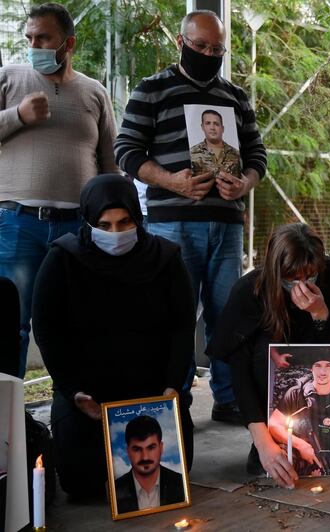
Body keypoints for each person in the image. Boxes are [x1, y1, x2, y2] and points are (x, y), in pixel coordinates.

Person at [115, 10, 267, 424]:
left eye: (217, 48)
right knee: (174, 315)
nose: (208, 54)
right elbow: (125, 151)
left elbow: (257, 155)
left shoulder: (235, 96)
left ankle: (230, 398)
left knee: (228, 314)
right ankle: (175, 398)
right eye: (200, 46)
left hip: (227, 223)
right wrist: (171, 181)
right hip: (171, 224)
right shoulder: (152, 89)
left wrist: (246, 183)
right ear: (180, 43)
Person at [31, 174, 195, 498]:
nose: (116, 233)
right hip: (89, 398)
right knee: (82, 486)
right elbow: (47, 330)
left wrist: (172, 385)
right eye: (104, 225)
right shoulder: (62, 259)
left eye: (125, 222)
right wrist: (72, 389)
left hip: (151, 393)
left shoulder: (165, 259)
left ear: (138, 217)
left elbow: (182, 326)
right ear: (88, 221)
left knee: (170, 480)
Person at [0, 2, 118, 378]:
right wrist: (18, 115)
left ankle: (72, 416)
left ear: (69, 44)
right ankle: (10, 428)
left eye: (44, 37)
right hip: (17, 224)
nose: (34, 45)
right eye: (30, 37)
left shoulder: (94, 92)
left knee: (78, 327)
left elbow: (111, 163)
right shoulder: (9, 78)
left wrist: (113, 220)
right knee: (10, 327)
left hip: (78, 229)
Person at [206, 223, 330, 489]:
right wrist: (262, 440)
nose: (301, 285)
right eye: (292, 278)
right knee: (260, 354)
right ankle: (269, 439)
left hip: (316, 359)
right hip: (268, 373)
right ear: (275, 270)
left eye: (310, 276)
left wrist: (320, 314)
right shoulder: (250, 289)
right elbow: (239, 368)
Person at [273, 348, 330, 476]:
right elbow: (274, 425)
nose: (323, 371)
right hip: (298, 454)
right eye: (317, 366)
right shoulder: (296, 393)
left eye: (328, 366)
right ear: (311, 369)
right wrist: (301, 445)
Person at [114, 415, 186, 514]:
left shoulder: (181, 484)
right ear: (128, 452)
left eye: (151, 447)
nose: (145, 457)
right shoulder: (115, 490)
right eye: (137, 449)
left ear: (161, 448)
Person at [190, 109, 241, 177]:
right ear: (202, 127)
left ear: (222, 128)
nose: (212, 128)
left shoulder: (236, 153)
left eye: (216, 124)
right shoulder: (192, 152)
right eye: (208, 123)